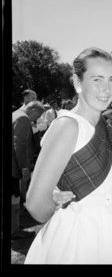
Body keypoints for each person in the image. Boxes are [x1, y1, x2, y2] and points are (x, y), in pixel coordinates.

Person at [24, 47, 112, 264]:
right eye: (97, 79)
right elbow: (36, 206)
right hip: (79, 236)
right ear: (77, 82)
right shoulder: (68, 126)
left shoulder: (105, 125)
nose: (106, 89)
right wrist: (55, 201)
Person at [12, 101, 45, 240]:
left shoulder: (15, 114)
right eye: (37, 115)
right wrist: (24, 167)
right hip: (14, 167)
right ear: (32, 110)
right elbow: (19, 145)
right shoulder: (23, 118)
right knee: (14, 199)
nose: (36, 119)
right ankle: (14, 231)